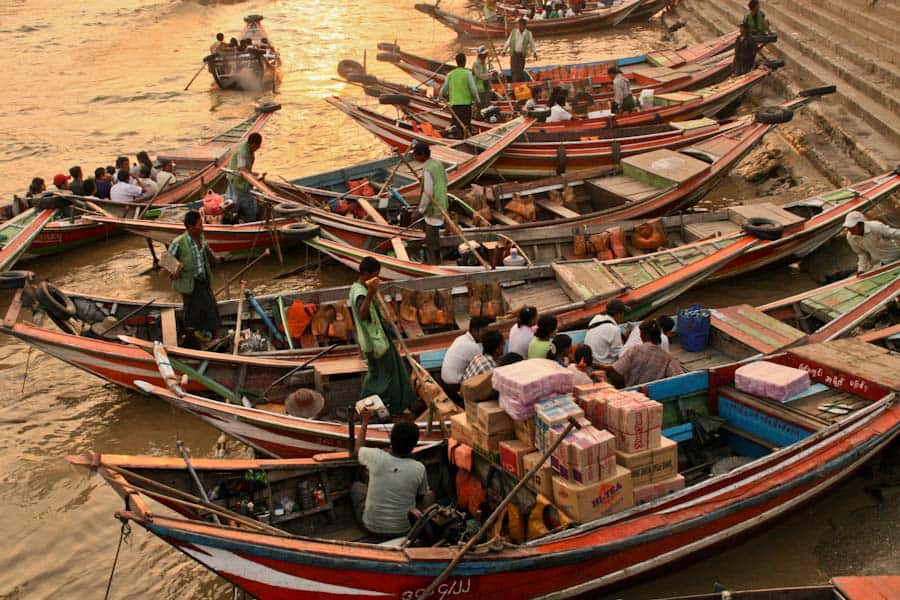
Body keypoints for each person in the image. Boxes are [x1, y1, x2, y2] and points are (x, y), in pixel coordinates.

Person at [348, 257, 416, 416]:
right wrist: (371, 293)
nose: (377, 279)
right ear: (365, 274)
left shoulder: (357, 287)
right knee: (388, 377)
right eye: (375, 275)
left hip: (374, 340)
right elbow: (363, 315)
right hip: (376, 342)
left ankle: (373, 404)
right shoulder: (360, 293)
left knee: (379, 374)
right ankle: (388, 407)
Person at [352, 416, 431, 541]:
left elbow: (357, 450)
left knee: (357, 487)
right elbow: (421, 497)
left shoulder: (376, 456)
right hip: (404, 529)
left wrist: (365, 420)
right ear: (414, 444)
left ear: (391, 440)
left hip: (371, 527)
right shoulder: (419, 468)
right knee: (428, 493)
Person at [168, 210, 221, 338]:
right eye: (200, 225)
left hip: (203, 279)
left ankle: (213, 336)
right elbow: (166, 262)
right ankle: (191, 338)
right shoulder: (179, 242)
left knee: (211, 308)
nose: (202, 227)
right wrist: (174, 272)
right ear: (191, 227)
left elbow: (206, 252)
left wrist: (214, 259)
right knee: (191, 312)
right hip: (189, 283)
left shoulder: (200, 237)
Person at [600, 319, 684, 387]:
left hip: (633, 391)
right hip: (655, 391)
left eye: (641, 334)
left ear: (646, 335)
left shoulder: (635, 350)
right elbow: (678, 376)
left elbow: (615, 369)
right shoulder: (666, 356)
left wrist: (596, 365)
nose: (640, 336)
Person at [413, 141, 448, 265]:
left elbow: (427, 193)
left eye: (416, 155)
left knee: (432, 234)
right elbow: (445, 179)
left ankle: (436, 262)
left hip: (434, 205)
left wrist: (420, 210)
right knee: (436, 228)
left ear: (422, 154)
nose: (414, 157)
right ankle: (435, 258)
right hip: (443, 202)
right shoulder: (437, 163)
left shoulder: (428, 169)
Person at [442, 316, 492, 391]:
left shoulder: (460, 338)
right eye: (484, 331)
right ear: (475, 330)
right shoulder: (472, 347)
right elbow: (485, 367)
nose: (486, 335)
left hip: (445, 381)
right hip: (455, 385)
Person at [226, 132, 265, 222]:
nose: (258, 148)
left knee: (235, 202)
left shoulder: (249, 148)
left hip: (240, 180)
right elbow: (242, 169)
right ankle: (250, 222)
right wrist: (254, 179)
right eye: (257, 146)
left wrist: (255, 175)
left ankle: (239, 217)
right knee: (250, 206)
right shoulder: (242, 153)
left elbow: (246, 170)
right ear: (252, 144)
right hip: (238, 182)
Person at [440, 53, 480, 138]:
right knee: (466, 126)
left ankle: (458, 142)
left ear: (456, 62)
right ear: (465, 62)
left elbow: (443, 92)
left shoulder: (450, 75)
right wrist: (477, 101)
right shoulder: (468, 73)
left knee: (457, 128)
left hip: (455, 106)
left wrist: (445, 96)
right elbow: (473, 89)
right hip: (466, 106)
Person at [502, 18, 538, 83]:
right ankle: (516, 83)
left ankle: (519, 83)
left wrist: (534, 52)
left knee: (520, 71)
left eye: (521, 25)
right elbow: (508, 41)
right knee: (514, 70)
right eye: (519, 25)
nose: (520, 27)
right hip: (514, 54)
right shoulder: (514, 32)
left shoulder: (528, 34)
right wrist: (504, 50)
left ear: (524, 26)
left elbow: (532, 44)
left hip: (522, 55)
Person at [471, 46, 494, 111]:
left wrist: (491, 73)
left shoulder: (483, 63)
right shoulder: (476, 64)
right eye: (484, 54)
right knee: (479, 106)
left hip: (486, 88)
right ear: (480, 55)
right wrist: (490, 75)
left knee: (486, 105)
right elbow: (480, 76)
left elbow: (486, 74)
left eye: (486, 54)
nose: (486, 56)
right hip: (479, 89)